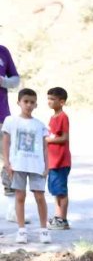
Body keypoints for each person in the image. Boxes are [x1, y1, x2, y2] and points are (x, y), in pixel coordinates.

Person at [2, 88, 50, 244]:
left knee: (39, 196)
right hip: (18, 165)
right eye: (26, 101)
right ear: (19, 102)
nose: (29, 105)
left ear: (36, 105)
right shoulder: (11, 121)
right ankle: (21, 230)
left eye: (32, 102)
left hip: (36, 165)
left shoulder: (40, 125)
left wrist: (47, 166)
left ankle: (44, 230)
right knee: (20, 197)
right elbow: (6, 142)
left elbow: (44, 147)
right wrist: (7, 163)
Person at [1, 43, 21, 221]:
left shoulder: (3, 51)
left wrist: (3, 81)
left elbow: (15, 79)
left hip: (2, 116)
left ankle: (12, 210)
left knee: (9, 161)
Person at [46, 87, 71, 230]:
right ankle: (58, 216)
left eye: (53, 99)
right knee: (55, 190)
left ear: (62, 102)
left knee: (61, 191)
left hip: (61, 161)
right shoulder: (53, 117)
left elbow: (64, 137)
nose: (49, 101)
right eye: (48, 98)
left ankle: (63, 218)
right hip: (53, 161)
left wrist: (48, 140)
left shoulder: (63, 117)